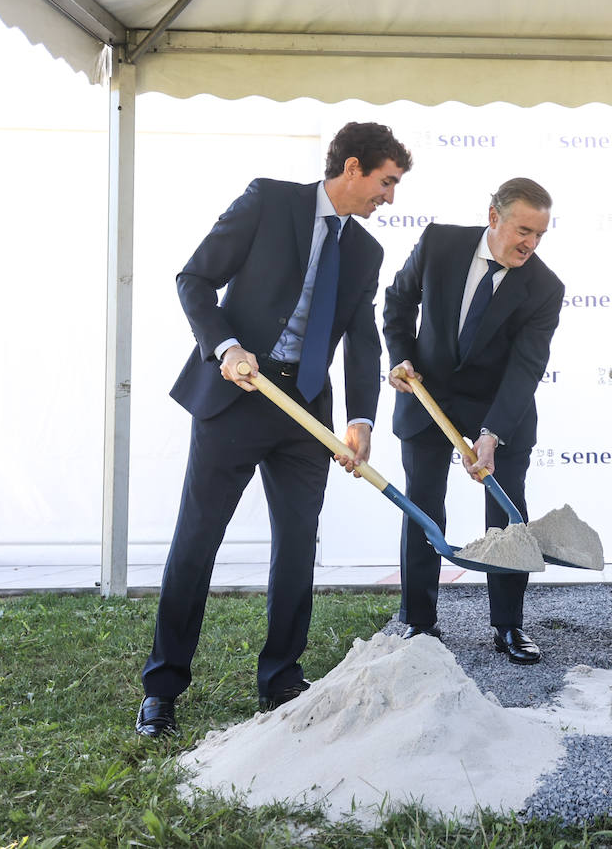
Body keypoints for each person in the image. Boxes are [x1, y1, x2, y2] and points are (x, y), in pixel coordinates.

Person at [136, 122, 412, 737]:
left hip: (306, 410)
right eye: (386, 182)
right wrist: (226, 347)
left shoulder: (365, 252)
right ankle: (162, 689)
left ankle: (282, 678)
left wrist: (361, 419)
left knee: (296, 546)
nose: (389, 197)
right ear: (352, 168)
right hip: (237, 392)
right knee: (196, 542)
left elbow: (362, 341)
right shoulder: (267, 200)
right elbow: (194, 279)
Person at [383, 178, 564, 664]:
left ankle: (508, 626)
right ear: (494, 218)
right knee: (422, 508)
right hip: (428, 396)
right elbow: (398, 302)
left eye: (540, 234)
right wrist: (400, 357)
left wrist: (492, 433)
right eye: (523, 230)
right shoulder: (439, 243)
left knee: (507, 519)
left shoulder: (545, 288)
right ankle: (418, 623)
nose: (531, 243)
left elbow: (526, 366)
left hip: (500, 408)